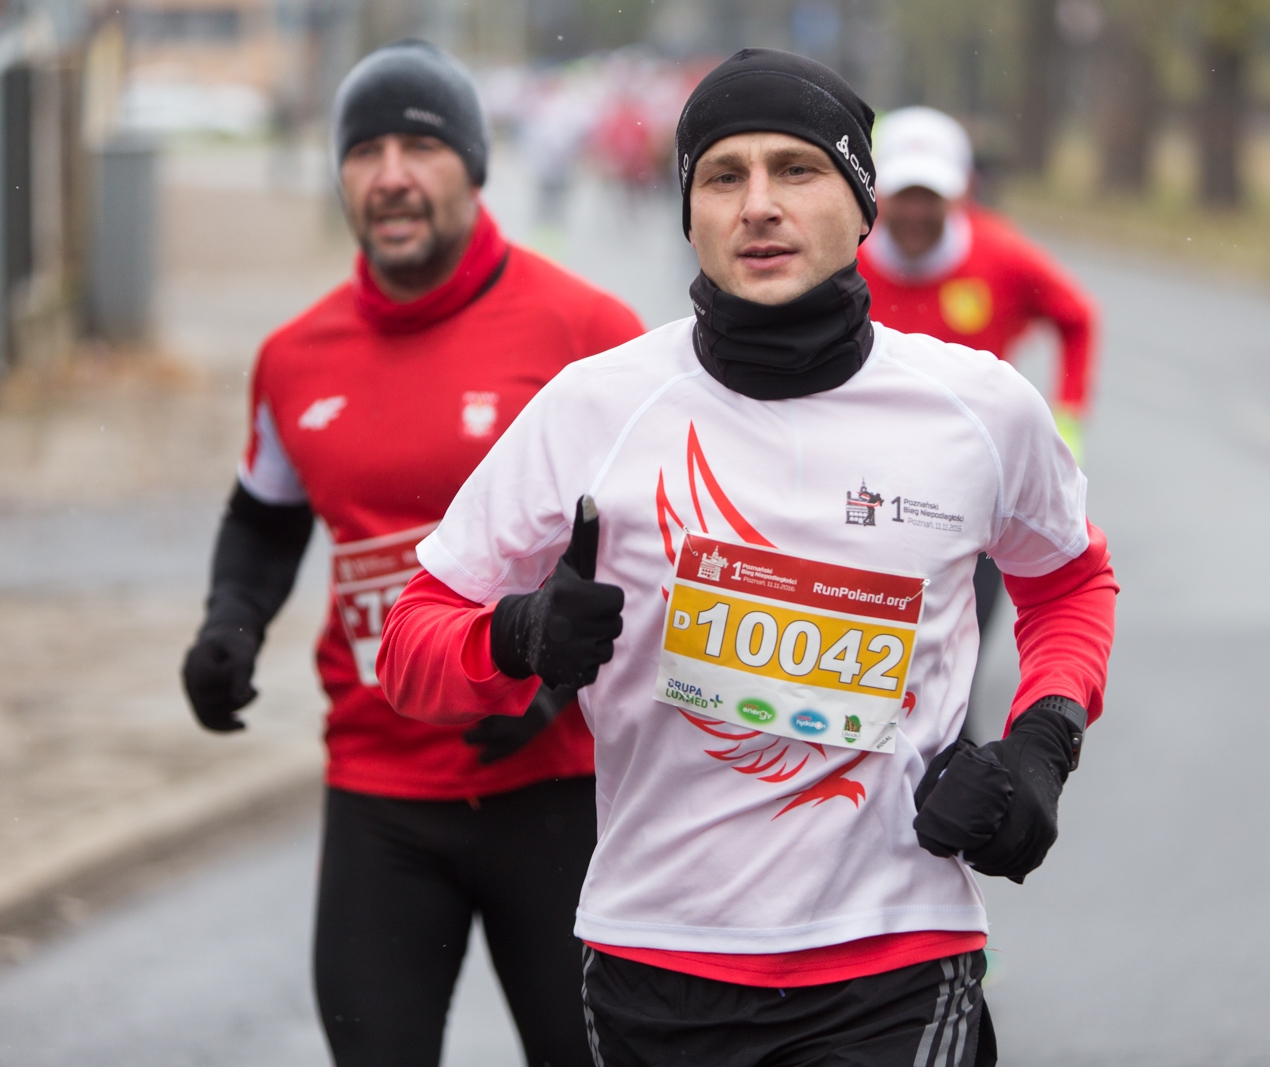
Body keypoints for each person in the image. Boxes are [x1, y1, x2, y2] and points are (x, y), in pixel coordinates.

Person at [378, 48, 1117, 1067]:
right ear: (688, 209)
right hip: (657, 955)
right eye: (723, 175)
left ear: (861, 203)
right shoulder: (596, 407)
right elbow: (409, 646)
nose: (757, 204)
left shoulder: (976, 407)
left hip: (895, 951)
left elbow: (1070, 581)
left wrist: (1039, 748)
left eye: (796, 169)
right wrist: (516, 634)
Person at [179, 40, 644, 1067]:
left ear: (474, 169)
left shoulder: (586, 330)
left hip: (560, 792)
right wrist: (229, 622)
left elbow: (663, 537)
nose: (390, 172)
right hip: (381, 794)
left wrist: (555, 685)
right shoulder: (294, 357)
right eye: (365, 149)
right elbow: (265, 515)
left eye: (421, 146)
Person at [858, 106, 1100, 639]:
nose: (917, 212)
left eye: (933, 197)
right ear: (875, 191)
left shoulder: (1000, 255)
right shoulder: (841, 258)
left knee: (956, 658)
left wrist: (1069, 424)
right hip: (864, 484)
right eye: (904, 195)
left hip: (977, 489)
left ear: (962, 191)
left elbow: (1078, 320)